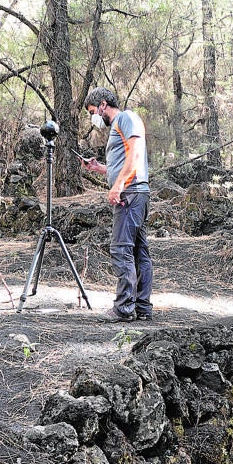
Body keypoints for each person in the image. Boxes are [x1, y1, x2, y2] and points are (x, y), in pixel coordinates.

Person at [81, 87, 153, 322]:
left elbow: (135, 153)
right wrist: (98, 168)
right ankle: (142, 307)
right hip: (135, 192)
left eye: (93, 111)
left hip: (130, 194)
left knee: (121, 249)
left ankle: (124, 308)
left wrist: (118, 186)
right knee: (138, 250)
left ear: (103, 104)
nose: (94, 117)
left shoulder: (126, 118)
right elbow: (121, 162)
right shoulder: (118, 126)